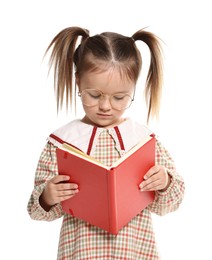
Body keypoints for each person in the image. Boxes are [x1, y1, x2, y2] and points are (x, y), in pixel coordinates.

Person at [27, 26, 185, 259]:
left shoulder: (142, 140)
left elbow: (170, 204)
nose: (105, 106)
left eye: (119, 97)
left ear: (132, 89)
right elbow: (37, 211)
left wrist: (164, 181)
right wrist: (48, 196)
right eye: (95, 94)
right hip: (81, 253)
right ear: (78, 81)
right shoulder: (61, 143)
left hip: (135, 252)